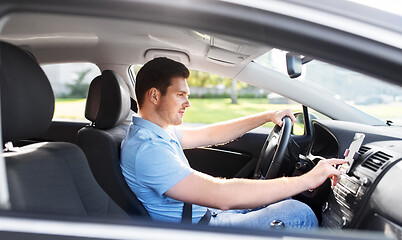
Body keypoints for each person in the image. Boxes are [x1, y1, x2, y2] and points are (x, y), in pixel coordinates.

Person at [120, 57, 346, 229]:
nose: (187, 103)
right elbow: (222, 195)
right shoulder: (147, 150)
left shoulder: (157, 133)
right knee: (299, 213)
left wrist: (266, 116)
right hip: (201, 228)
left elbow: (211, 134)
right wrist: (306, 180)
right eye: (180, 95)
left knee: (286, 197)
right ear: (154, 96)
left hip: (206, 214)